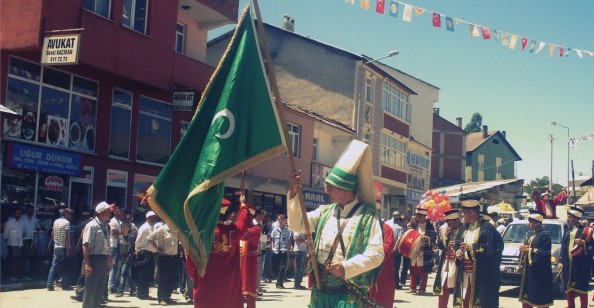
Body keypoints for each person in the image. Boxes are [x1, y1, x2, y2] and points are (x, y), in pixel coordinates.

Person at [287, 140, 384, 307]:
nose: (327, 190)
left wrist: (347, 267)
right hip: (320, 291)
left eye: (332, 187)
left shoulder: (368, 217)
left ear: (346, 189)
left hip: (348, 295)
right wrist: (294, 194)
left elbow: (376, 254)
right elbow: (297, 225)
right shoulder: (324, 212)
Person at [186, 197, 255, 308]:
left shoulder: (198, 233)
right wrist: (242, 205)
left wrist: (193, 274)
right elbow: (243, 221)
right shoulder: (233, 230)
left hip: (205, 281)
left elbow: (191, 257)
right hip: (228, 284)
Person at [453, 199, 503, 308]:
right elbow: (457, 243)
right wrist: (457, 251)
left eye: (465, 212)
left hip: (482, 273)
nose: (462, 215)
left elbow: (493, 249)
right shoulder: (463, 228)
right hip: (465, 272)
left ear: (472, 213)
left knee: (481, 301)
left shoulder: (487, 228)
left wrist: (471, 248)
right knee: (465, 299)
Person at [559, 205, 593, 308]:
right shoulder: (567, 231)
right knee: (569, 288)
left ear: (576, 218)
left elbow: (592, 247)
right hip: (568, 265)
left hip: (581, 265)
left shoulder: (586, 231)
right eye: (568, 217)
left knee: (582, 288)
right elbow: (563, 247)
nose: (568, 219)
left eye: (570, 217)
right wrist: (561, 261)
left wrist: (584, 243)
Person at [518, 210, 554, 308]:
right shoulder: (530, 235)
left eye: (531, 222)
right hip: (528, 271)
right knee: (527, 297)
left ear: (537, 223)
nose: (529, 224)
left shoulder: (545, 236)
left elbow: (545, 253)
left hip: (540, 272)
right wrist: (523, 249)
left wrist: (529, 250)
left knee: (540, 298)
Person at [82, 202, 113, 308]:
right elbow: (85, 245)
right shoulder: (91, 225)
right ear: (102, 213)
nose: (110, 214)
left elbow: (107, 244)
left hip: (103, 260)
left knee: (100, 289)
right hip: (94, 259)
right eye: (108, 212)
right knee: (90, 289)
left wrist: (109, 258)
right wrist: (87, 264)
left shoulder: (105, 226)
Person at [433, 209, 460, 308]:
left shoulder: (463, 231)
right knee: (444, 286)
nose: (449, 225)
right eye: (447, 222)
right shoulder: (445, 231)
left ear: (457, 221)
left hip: (458, 263)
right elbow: (440, 245)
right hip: (446, 262)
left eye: (451, 223)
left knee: (458, 288)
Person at [149, 221, 179, 306]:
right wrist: (158, 249)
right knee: (163, 278)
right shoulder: (162, 229)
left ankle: (167, 297)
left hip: (174, 257)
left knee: (171, 278)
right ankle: (161, 298)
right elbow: (150, 238)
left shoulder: (176, 229)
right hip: (164, 257)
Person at [407, 205, 435, 294]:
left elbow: (433, 238)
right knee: (413, 269)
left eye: (419, 217)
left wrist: (428, 239)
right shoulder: (415, 225)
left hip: (424, 252)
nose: (417, 218)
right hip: (415, 250)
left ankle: (422, 288)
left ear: (424, 217)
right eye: (417, 216)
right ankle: (412, 287)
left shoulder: (430, 226)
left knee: (423, 272)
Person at [370, 209, 395, 308]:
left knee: (381, 300)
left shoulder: (386, 229)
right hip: (360, 272)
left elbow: (386, 250)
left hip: (381, 273)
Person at [240, 196, 262, 307]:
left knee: (249, 291)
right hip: (239, 264)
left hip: (249, 265)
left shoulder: (256, 229)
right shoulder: (239, 228)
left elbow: (243, 235)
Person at [47, 208, 73, 291]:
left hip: (56, 246)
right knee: (66, 266)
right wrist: (68, 249)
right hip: (64, 247)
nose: (70, 216)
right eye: (69, 214)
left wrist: (55, 243)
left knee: (54, 266)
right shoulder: (66, 223)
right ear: (65, 214)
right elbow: (66, 236)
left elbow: (52, 234)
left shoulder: (56, 221)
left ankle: (49, 284)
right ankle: (65, 285)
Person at [135, 211, 158, 300]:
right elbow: (138, 240)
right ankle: (141, 293)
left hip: (151, 253)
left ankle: (145, 293)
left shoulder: (152, 227)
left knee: (147, 274)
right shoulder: (144, 228)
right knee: (143, 274)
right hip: (144, 252)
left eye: (154, 217)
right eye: (152, 217)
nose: (153, 219)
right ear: (147, 218)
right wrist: (137, 249)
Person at [3, 207, 25, 281]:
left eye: (19, 213)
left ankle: (18, 275)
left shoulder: (22, 222)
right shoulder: (9, 222)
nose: (18, 214)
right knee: (11, 260)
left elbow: (23, 232)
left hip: (20, 244)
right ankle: (11, 276)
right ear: (14, 213)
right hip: (11, 244)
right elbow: (5, 235)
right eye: (17, 213)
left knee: (19, 260)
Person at [115, 221, 137, 297]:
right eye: (123, 227)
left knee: (123, 273)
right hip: (121, 257)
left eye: (126, 227)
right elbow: (118, 248)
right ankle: (133, 288)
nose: (124, 229)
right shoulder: (120, 237)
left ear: (129, 229)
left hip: (128, 257)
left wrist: (131, 257)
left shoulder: (132, 237)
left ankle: (120, 290)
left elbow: (132, 248)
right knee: (126, 274)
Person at [270, 213, 292, 289]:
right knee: (276, 268)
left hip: (283, 250)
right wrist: (272, 248)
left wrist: (288, 250)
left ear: (284, 220)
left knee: (282, 267)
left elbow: (289, 240)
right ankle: (278, 281)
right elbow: (272, 240)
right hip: (276, 251)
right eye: (278, 219)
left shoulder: (288, 230)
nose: (280, 221)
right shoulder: (275, 230)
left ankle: (280, 282)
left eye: (281, 219)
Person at [108, 207, 126, 293]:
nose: (119, 213)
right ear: (114, 212)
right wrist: (123, 233)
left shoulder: (120, 222)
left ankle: (113, 285)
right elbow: (114, 233)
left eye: (121, 211)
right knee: (112, 266)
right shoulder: (113, 222)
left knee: (116, 267)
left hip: (118, 246)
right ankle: (110, 286)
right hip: (113, 246)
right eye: (118, 211)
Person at [22, 204, 41, 280]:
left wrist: (37, 232)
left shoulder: (34, 218)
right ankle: (24, 275)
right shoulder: (22, 218)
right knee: (24, 258)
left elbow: (38, 227)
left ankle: (30, 274)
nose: (30, 211)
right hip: (24, 240)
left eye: (32, 210)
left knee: (32, 259)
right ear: (26, 210)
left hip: (33, 241)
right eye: (29, 209)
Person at [386, 211, 404, 289]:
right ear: (398, 221)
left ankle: (388, 283)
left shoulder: (389, 227)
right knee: (396, 268)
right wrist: (395, 248)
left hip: (388, 248)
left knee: (390, 266)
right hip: (396, 250)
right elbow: (399, 238)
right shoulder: (400, 228)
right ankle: (396, 284)